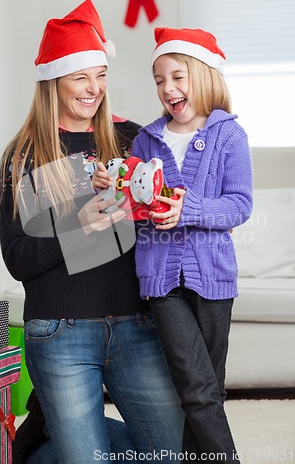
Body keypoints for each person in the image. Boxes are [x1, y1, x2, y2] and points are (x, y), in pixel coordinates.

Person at [0, 0, 184, 464]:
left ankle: (57, 433)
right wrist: (76, 229)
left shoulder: (132, 138)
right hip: (60, 332)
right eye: (81, 77)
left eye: (100, 75)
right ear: (54, 81)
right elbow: (18, 258)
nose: (94, 89)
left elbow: (164, 223)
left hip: (136, 325)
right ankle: (56, 438)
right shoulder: (23, 155)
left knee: (174, 453)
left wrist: (168, 208)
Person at [93, 27, 253, 463]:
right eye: (159, 80)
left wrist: (190, 210)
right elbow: (134, 207)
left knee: (207, 389)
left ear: (203, 75)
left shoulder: (229, 137)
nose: (168, 88)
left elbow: (239, 206)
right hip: (162, 281)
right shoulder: (146, 139)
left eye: (177, 76)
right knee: (196, 387)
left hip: (214, 279)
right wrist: (114, 187)